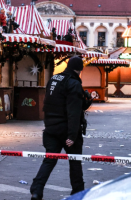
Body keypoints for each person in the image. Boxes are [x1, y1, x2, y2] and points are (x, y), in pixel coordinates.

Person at [30, 57, 91, 200]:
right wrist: (72, 135)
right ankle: (78, 192)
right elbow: (74, 111)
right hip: (66, 129)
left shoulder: (54, 79)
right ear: (80, 69)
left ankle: (36, 190)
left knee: (49, 160)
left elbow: (49, 102)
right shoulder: (74, 83)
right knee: (75, 161)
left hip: (51, 128)